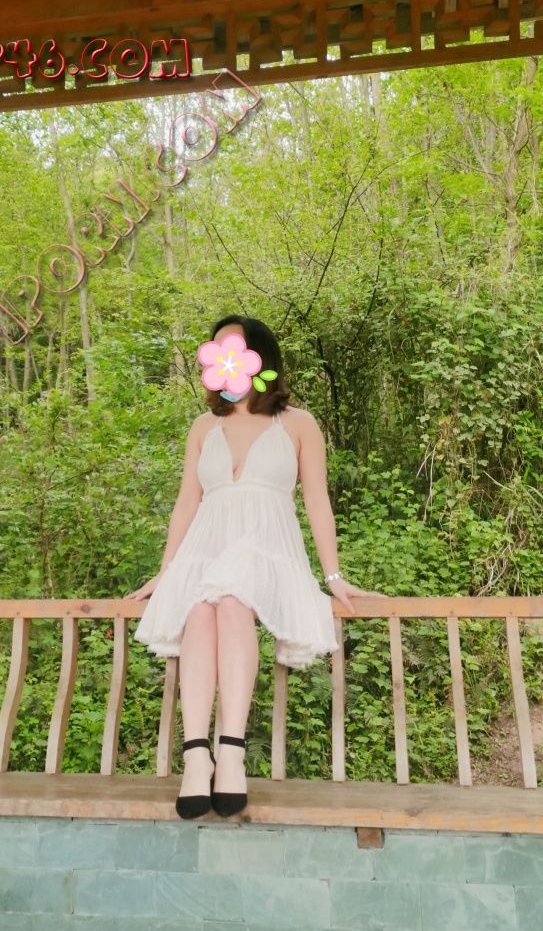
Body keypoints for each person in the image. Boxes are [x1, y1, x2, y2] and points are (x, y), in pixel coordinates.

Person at [129, 314, 385, 819]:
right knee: (200, 609)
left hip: (266, 547)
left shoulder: (297, 424)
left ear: (260, 356)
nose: (224, 357)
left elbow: (317, 501)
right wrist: (167, 569)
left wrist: (333, 575)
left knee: (230, 599)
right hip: (207, 545)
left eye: (234, 347)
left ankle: (231, 750)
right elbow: (187, 501)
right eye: (216, 348)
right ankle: (197, 755)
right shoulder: (205, 427)